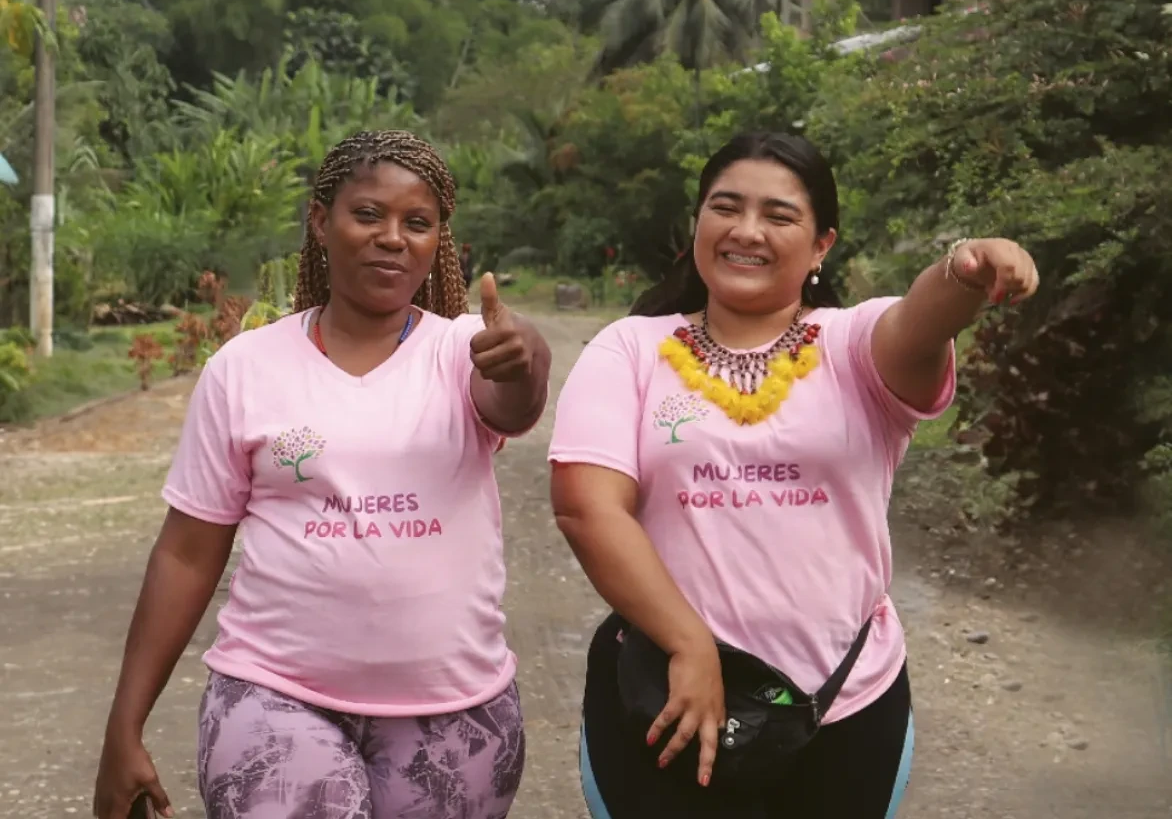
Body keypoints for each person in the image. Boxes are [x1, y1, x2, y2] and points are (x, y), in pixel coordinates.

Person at [547, 132, 1038, 818]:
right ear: (697, 224)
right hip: (666, 695)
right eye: (725, 207)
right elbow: (586, 507)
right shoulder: (630, 349)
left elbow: (919, 324)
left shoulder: (854, 345)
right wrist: (690, 644)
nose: (747, 231)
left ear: (821, 246)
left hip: (844, 703)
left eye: (778, 216)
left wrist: (965, 267)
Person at [93, 130, 551, 819]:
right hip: (274, 695)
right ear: (320, 221)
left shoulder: (464, 353)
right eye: (367, 214)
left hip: (455, 711)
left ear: (438, 242)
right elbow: (187, 554)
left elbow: (514, 406)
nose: (392, 237)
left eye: (417, 223)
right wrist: (123, 726)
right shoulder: (244, 369)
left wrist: (528, 360)